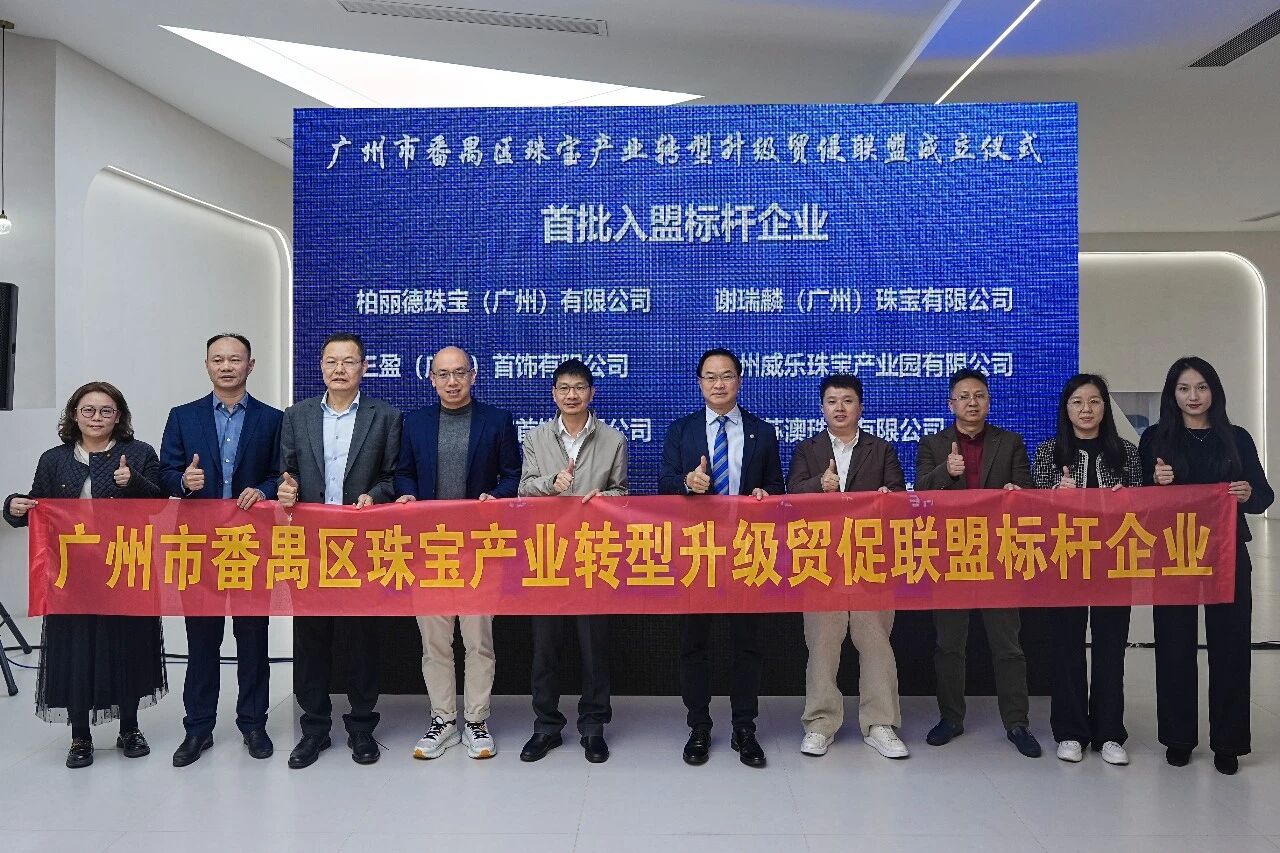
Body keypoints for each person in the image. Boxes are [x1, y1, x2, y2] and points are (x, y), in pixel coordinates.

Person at [3, 382, 168, 768]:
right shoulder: (54, 459)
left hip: (125, 566)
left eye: (106, 411)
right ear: (74, 415)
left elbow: (160, 505)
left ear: (118, 416)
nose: (97, 418)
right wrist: (13, 506)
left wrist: (133, 483)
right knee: (75, 650)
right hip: (72, 572)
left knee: (127, 646)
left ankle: (130, 728)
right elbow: (37, 508)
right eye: (88, 410)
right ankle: (80, 735)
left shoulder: (139, 453)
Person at [1139, 356, 1273, 775]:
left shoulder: (1237, 438)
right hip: (1173, 553)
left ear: (1214, 391)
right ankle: (1178, 739)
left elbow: (1264, 496)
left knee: (1230, 647)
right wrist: (1155, 484)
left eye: (1201, 387)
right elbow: (1138, 504)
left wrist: (1248, 493)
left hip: (1226, 553)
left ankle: (1228, 743)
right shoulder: (1155, 439)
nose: (1193, 396)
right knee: (1174, 646)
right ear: (1172, 394)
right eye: (1184, 388)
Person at [159, 333, 283, 766]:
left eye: (235, 359)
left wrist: (264, 489)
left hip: (251, 545)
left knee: (253, 640)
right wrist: (182, 481)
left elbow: (282, 473)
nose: (226, 366)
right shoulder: (183, 416)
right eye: (218, 359)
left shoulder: (273, 419)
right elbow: (164, 471)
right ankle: (198, 728)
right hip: (198, 546)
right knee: (201, 642)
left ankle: (254, 724)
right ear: (207, 365)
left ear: (251, 365)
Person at [279, 333, 401, 768]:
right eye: (331, 361)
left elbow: (393, 476)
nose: (339, 369)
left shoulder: (385, 417)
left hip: (362, 545)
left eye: (349, 362)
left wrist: (376, 495)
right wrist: (286, 488)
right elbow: (285, 471)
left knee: (361, 639)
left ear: (364, 368)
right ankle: (314, 729)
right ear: (321, 367)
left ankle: (362, 726)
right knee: (311, 639)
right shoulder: (297, 416)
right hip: (309, 545)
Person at [658, 347, 784, 768]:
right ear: (700, 383)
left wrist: (765, 494)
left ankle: (744, 727)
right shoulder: (682, 430)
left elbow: (777, 488)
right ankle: (699, 725)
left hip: (746, 549)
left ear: (739, 381)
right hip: (697, 550)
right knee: (694, 643)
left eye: (726, 376)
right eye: (710, 377)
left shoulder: (762, 432)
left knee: (746, 642)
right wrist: (686, 482)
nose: (718, 384)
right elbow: (663, 482)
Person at [395, 345, 520, 761]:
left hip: (480, 548)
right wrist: (407, 494)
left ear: (473, 376)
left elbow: (513, 475)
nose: (452, 381)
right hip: (429, 548)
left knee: (478, 640)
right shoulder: (415, 423)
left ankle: (477, 720)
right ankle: (443, 720)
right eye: (444, 374)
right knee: (435, 643)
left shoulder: (497, 421)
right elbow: (403, 473)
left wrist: (495, 496)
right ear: (431, 379)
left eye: (460, 373)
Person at [915, 368, 1041, 758]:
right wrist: (945, 472)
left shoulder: (1010, 442)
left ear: (988, 401)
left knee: (1008, 645)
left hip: (999, 554)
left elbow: (1028, 490)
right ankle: (951, 718)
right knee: (949, 645)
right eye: (964, 396)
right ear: (950, 404)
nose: (972, 402)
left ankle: (1016, 722)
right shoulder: (933, 444)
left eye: (979, 395)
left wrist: (1016, 492)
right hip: (951, 555)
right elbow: (918, 493)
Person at [788, 374, 908, 760]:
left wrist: (888, 497)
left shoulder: (881, 449)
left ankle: (880, 723)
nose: (840, 408)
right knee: (822, 644)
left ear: (860, 407)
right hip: (821, 560)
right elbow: (789, 497)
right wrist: (817, 486)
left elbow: (899, 495)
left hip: (871, 560)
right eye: (832, 401)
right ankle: (820, 723)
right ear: (822, 408)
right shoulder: (807, 449)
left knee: (876, 642)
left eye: (848, 400)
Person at [517, 358, 627, 764]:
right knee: (545, 647)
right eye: (564, 388)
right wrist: (552, 483)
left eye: (579, 387)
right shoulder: (535, 438)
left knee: (594, 647)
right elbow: (523, 488)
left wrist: (604, 498)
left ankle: (594, 726)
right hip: (547, 554)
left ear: (591, 392)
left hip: (594, 555)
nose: (571, 395)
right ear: (553, 394)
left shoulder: (613, 439)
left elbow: (622, 493)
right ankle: (546, 726)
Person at [1031, 373, 1141, 766]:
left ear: (1105, 407)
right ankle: (1071, 732)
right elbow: (1034, 511)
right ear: (1066, 409)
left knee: (1111, 648)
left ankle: (1110, 733)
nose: (1086, 410)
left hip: (1114, 562)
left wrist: (1128, 499)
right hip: (1065, 561)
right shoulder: (1049, 452)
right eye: (1077, 402)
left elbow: (1145, 511)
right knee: (1067, 649)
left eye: (1094, 401)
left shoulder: (1127, 453)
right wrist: (1055, 496)